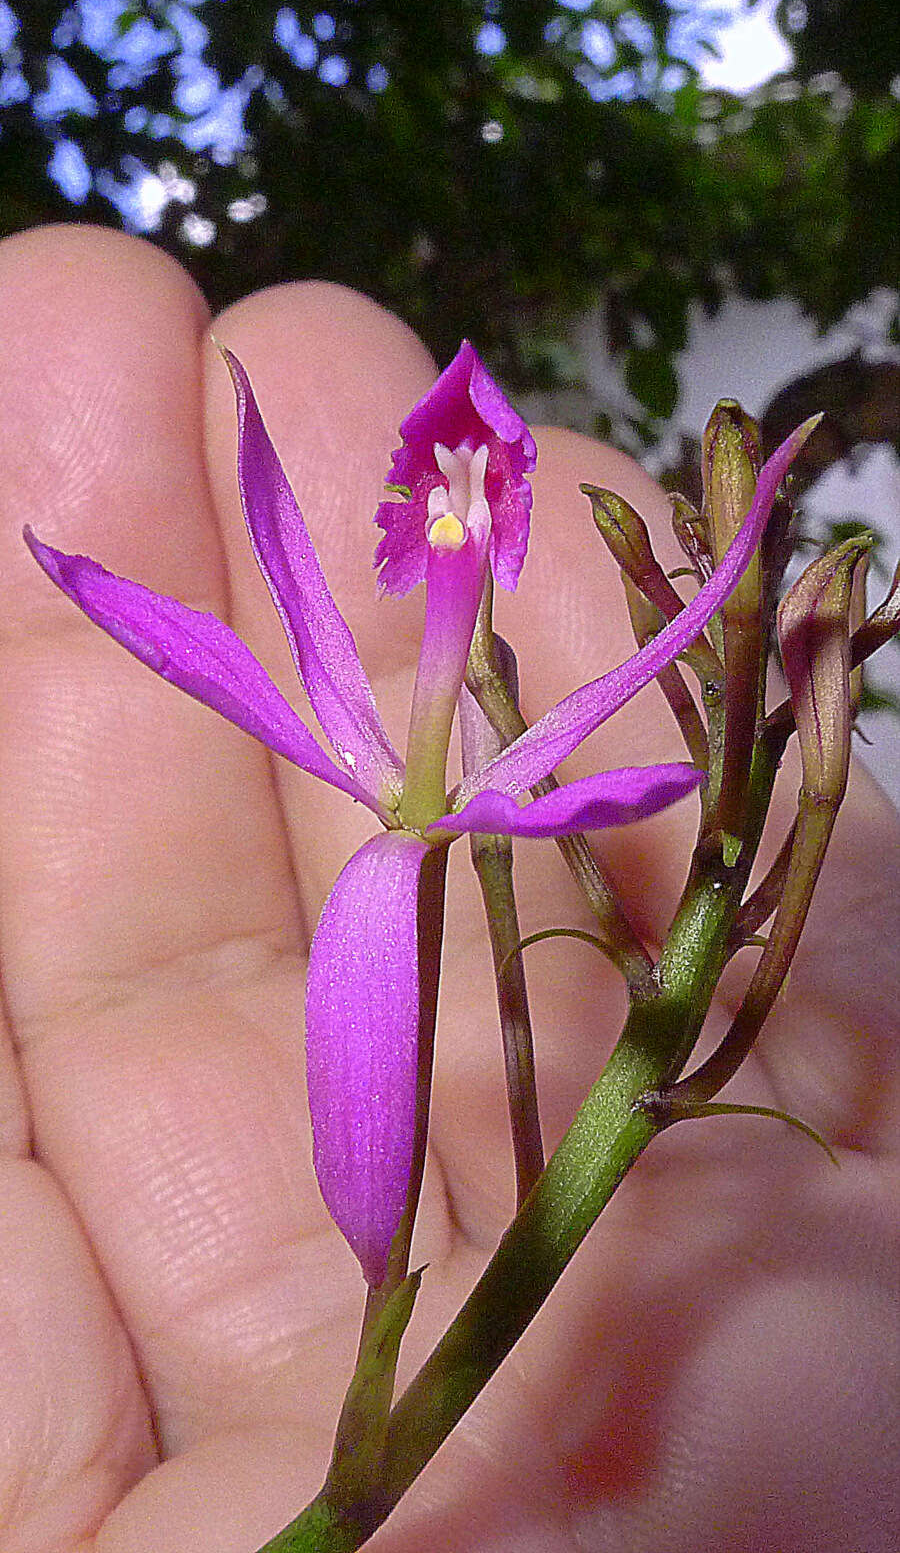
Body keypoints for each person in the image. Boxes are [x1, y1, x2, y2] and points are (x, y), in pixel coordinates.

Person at [1, 223, 897, 1553]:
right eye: (450, 498)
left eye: (475, 502)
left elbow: (639, 778)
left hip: (447, 807)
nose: (458, 473)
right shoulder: (376, 838)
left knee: (381, 1235)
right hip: (403, 813)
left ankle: (373, 1337)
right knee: (378, 1246)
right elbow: (204, 609)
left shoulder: (471, 809)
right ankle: (374, 1347)